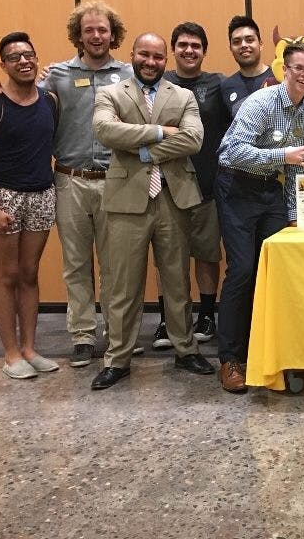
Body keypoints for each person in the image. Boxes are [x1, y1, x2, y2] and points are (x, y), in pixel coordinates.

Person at [0, 0, 135, 368]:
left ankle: (116, 336)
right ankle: (82, 337)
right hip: (70, 181)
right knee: (76, 264)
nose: (96, 36)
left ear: (113, 34)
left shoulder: (129, 74)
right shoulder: (57, 75)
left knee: (115, 266)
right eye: (89, 30)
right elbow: (20, 92)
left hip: (116, 180)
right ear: (78, 36)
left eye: (103, 30)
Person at [89, 33, 212, 390]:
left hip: (174, 198)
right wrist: (160, 130)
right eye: (145, 54)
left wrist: (144, 151)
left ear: (165, 60)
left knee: (176, 280)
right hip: (126, 200)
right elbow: (105, 130)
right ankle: (118, 358)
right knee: (123, 284)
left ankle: (185, 350)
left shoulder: (184, 95)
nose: (151, 62)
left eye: (158, 57)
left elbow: (193, 139)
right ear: (132, 56)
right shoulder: (111, 93)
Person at [215, 41, 304, 393]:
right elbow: (230, 152)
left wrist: (292, 214)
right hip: (237, 189)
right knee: (243, 269)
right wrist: (282, 154)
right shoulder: (261, 102)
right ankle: (230, 358)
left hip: (271, 192)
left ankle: (274, 352)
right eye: (299, 68)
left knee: (276, 269)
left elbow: (297, 168)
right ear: (284, 70)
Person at [0, 32, 59, 380]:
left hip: (41, 194)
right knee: (6, 276)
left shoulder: (50, 100)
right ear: (2, 64)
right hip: (2, 196)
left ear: (37, 60)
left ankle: (30, 349)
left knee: (30, 274)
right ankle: (10, 354)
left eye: (29, 55)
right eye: (14, 57)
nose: (24, 61)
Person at [150, 22, 229, 350]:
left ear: (204, 51)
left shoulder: (218, 84)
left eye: (196, 46)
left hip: (208, 182)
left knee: (207, 253)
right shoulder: (158, 82)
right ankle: (169, 319)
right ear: (173, 50)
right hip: (166, 184)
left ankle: (207, 315)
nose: (189, 51)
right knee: (167, 256)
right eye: (182, 45)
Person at [220, 15, 274, 123]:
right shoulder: (226, 86)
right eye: (236, 42)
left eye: (249, 40)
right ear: (230, 48)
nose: (243, 45)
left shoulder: (279, 77)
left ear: (261, 44)